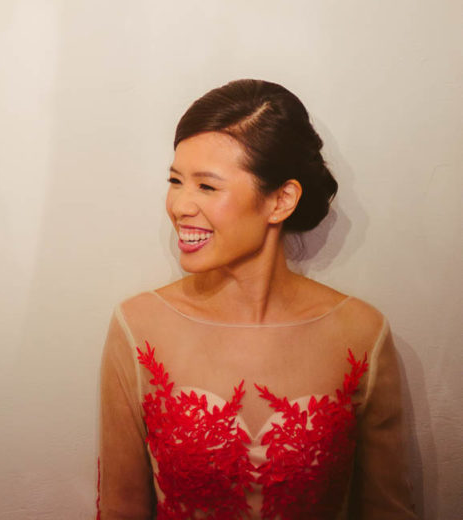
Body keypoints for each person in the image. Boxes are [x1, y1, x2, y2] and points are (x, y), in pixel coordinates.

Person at [96, 79, 418, 520]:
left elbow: (388, 510)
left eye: (207, 187)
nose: (179, 205)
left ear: (281, 200)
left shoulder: (361, 334)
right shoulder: (138, 328)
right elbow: (120, 507)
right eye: (176, 181)